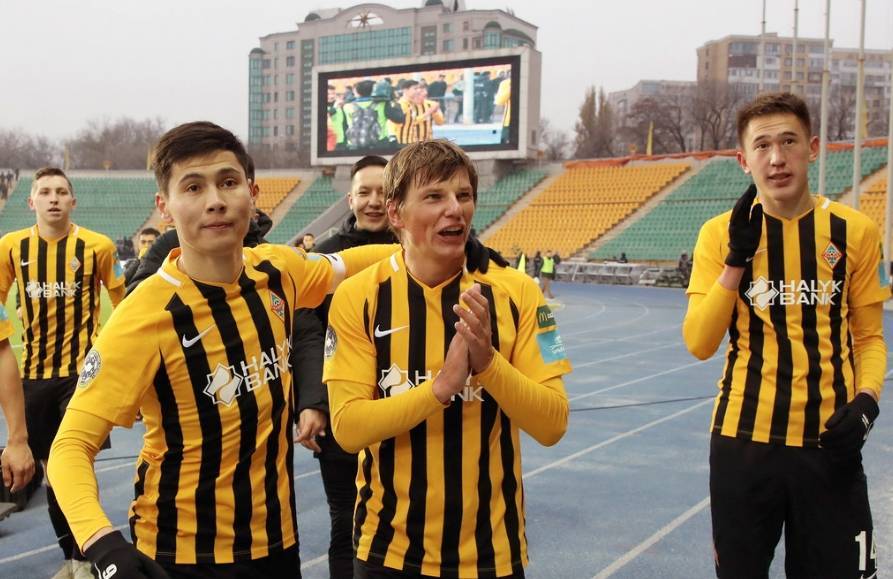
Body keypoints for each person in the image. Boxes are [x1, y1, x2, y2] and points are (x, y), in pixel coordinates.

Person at [46, 121, 400, 579]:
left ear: (252, 194)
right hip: (182, 554)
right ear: (165, 207)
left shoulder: (278, 270)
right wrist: (103, 545)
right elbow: (70, 446)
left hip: (277, 544)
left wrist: (434, 243)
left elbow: (350, 263)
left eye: (228, 182)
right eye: (193, 187)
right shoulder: (143, 316)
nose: (215, 200)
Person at [324, 139, 571, 578]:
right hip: (387, 552)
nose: (454, 209)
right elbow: (347, 428)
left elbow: (553, 424)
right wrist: (439, 389)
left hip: (491, 554)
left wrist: (489, 365)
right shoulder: (357, 296)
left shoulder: (522, 293)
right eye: (434, 196)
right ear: (396, 213)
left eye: (463, 195)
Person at [683, 92, 888, 578]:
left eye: (789, 142)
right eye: (762, 146)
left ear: (812, 148)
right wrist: (735, 261)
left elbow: (870, 339)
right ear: (744, 159)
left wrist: (867, 401)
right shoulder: (718, 234)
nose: (776, 158)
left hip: (830, 446)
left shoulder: (856, 232)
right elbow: (699, 342)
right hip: (743, 444)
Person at [0, 167, 126, 579]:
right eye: (44, 192)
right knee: (52, 474)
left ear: (73, 201)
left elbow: (123, 303)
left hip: (82, 376)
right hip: (34, 377)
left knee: (74, 464)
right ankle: (74, 558)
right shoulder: (10, 248)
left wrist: (111, 355)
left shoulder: (98, 246)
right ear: (30, 201)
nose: (53, 198)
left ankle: (87, 559)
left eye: (60, 191)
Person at [294, 155, 397, 579]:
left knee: (406, 519)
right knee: (346, 519)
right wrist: (313, 402)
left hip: (406, 409)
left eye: (382, 192)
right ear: (350, 199)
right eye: (364, 192)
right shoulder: (324, 258)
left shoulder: (425, 251)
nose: (373, 201)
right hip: (342, 411)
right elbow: (306, 331)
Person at [393, 80, 444, 144]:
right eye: (419, 94)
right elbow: (411, 121)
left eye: (425, 95)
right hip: (409, 142)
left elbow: (440, 122)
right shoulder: (405, 104)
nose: (422, 97)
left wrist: (435, 112)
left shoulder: (431, 104)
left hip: (427, 142)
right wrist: (428, 112)